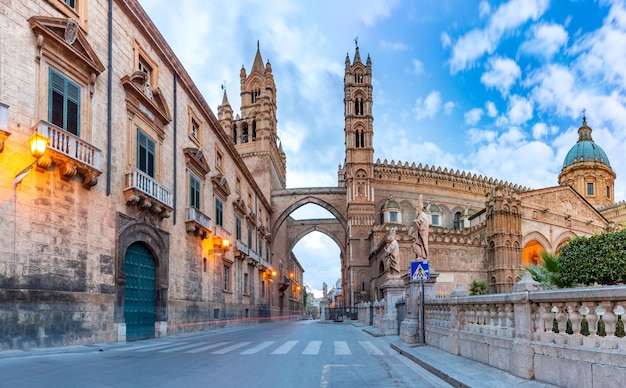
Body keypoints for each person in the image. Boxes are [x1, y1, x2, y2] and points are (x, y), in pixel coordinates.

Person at [408, 195, 429, 260]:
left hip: (421, 235)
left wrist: (417, 222)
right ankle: (419, 256)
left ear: (420, 209)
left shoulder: (423, 215)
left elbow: (424, 224)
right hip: (417, 236)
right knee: (415, 245)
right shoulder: (419, 216)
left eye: (417, 209)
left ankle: (421, 256)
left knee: (419, 245)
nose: (416, 211)